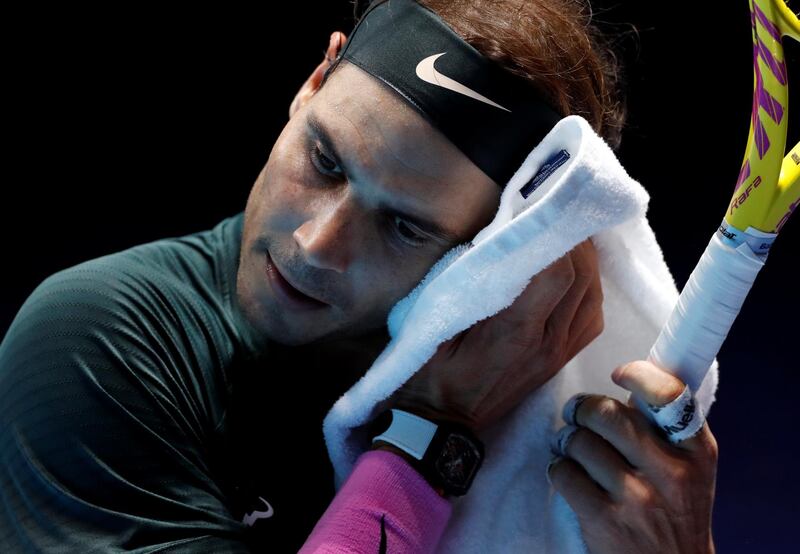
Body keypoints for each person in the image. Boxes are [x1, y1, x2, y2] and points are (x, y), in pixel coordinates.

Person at [0, 0, 718, 552]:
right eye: (324, 162)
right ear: (314, 81)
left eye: (405, 226)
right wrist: (433, 441)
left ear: (497, 256)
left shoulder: (546, 406)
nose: (315, 245)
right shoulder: (94, 344)